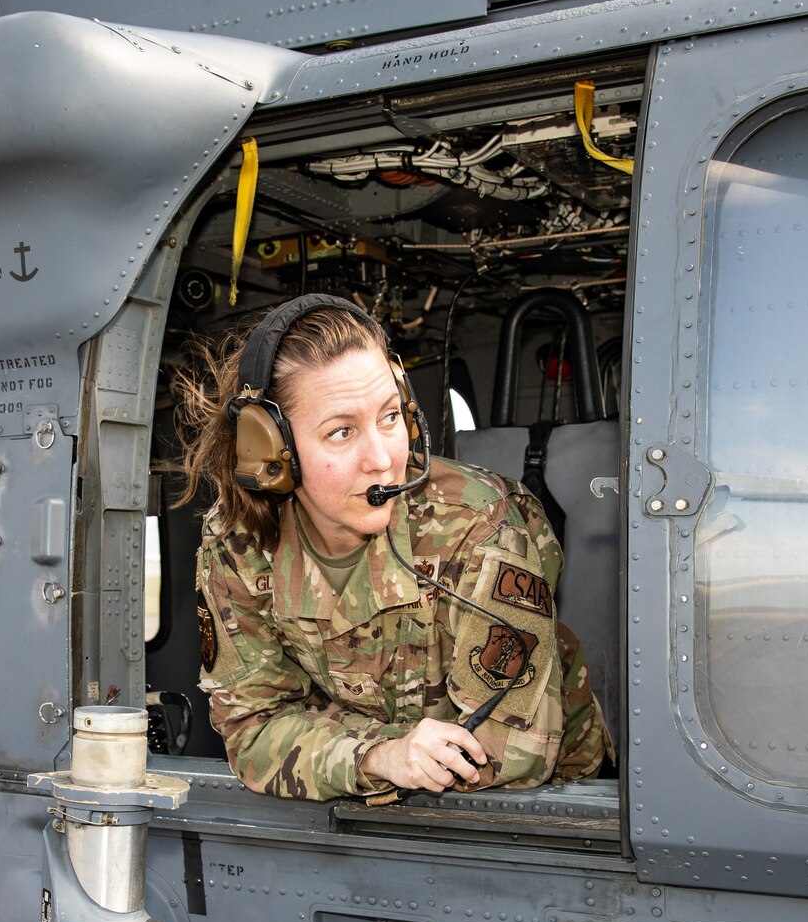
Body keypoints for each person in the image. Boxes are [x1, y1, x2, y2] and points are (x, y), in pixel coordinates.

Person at [176, 293, 610, 800]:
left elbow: (512, 747)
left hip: (539, 810)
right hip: (372, 804)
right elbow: (252, 731)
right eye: (341, 432)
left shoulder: (477, 523)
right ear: (273, 451)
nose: (383, 459)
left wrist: (331, 740)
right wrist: (380, 756)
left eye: (389, 417)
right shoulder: (237, 545)